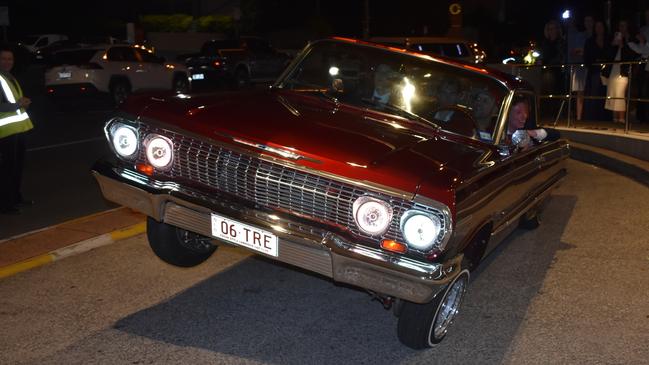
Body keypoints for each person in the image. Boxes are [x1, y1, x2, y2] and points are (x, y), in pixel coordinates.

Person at [0, 45, 33, 215]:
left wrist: (22, 103)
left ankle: (15, 197)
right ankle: (6, 204)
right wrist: (16, 105)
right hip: (6, 131)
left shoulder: (10, 77)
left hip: (18, 129)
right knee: (7, 168)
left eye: (10, 59)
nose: (7, 62)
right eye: (4, 58)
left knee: (17, 166)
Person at [603, 20, 635, 124]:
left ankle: (621, 120)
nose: (621, 28)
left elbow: (630, 56)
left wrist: (622, 45)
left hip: (623, 72)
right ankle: (615, 120)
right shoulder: (613, 40)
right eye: (620, 26)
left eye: (623, 25)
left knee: (620, 95)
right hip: (613, 72)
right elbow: (607, 55)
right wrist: (613, 44)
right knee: (612, 95)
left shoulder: (630, 40)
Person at [583, 20, 611, 121]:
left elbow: (611, 54)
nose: (599, 29)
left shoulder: (609, 40)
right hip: (594, 71)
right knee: (594, 93)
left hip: (607, 72)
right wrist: (595, 61)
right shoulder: (590, 41)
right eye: (597, 27)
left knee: (605, 93)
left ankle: (604, 117)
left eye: (601, 26)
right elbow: (586, 57)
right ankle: (593, 117)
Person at [628, 31, 649, 122]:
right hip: (645, 69)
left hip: (645, 69)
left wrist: (643, 41)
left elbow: (643, 51)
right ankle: (643, 118)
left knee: (644, 93)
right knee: (643, 93)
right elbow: (643, 51)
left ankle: (643, 118)